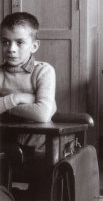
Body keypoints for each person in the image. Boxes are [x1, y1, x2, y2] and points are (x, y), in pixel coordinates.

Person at [0, 12, 56, 200]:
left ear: (34, 45)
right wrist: (18, 98)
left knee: (41, 191)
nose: (11, 49)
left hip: (40, 147)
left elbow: (42, 114)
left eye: (20, 42)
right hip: (6, 145)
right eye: (5, 42)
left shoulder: (43, 70)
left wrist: (4, 102)